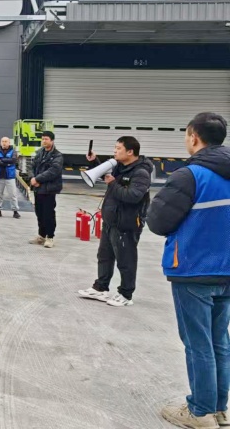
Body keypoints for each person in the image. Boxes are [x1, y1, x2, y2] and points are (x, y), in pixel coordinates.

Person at [147, 113, 230, 429]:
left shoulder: (189, 176)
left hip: (194, 269)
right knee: (219, 340)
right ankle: (220, 409)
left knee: (199, 343)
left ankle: (200, 412)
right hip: (227, 270)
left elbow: (158, 222)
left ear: (194, 137)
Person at [77, 136, 153, 307]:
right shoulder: (120, 166)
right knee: (104, 256)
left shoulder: (141, 172)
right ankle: (101, 288)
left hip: (126, 223)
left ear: (130, 152)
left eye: (118, 148)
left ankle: (126, 294)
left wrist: (113, 184)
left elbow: (133, 196)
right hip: (111, 220)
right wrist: (94, 161)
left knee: (126, 260)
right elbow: (105, 174)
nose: (114, 151)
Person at [28, 131, 64, 248]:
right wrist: (32, 178)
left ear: (52, 140)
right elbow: (31, 167)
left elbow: (53, 171)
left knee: (48, 214)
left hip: (49, 189)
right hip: (38, 189)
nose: (44, 141)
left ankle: (50, 237)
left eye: (46, 139)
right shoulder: (39, 153)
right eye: (42, 139)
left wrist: (37, 179)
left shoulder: (57, 156)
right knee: (39, 213)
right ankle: (41, 235)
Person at [0, 137, 21, 219]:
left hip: (10, 176)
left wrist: (1, 160)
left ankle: (15, 211)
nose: (4, 143)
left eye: (6, 141)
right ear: (0, 142)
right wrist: (7, 162)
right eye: (3, 141)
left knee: (13, 194)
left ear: (9, 143)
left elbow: (13, 160)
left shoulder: (13, 151)